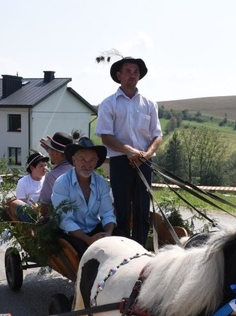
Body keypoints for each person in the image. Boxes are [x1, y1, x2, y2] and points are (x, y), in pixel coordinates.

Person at [95, 56, 163, 247]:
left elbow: (157, 136)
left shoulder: (150, 104)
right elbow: (105, 136)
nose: (132, 75)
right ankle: (123, 252)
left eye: (135, 72)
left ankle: (140, 251)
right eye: (128, 71)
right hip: (120, 162)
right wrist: (129, 151)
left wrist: (147, 155)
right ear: (119, 75)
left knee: (142, 211)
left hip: (144, 162)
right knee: (122, 210)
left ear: (139, 76)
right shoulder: (109, 103)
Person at [51, 137, 116, 257]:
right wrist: (88, 239)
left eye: (91, 160)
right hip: (72, 233)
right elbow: (65, 220)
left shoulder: (101, 183)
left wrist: (108, 233)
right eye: (83, 159)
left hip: (95, 228)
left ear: (97, 162)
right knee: (84, 254)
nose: (87, 165)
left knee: (120, 239)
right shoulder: (62, 183)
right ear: (74, 160)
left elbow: (107, 213)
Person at [37, 131, 75, 216]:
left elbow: (44, 207)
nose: (48, 153)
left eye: (50, 150)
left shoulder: (52, 176)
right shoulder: (78, 169)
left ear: (58, 153)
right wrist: (53, 151)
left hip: (59, 222)